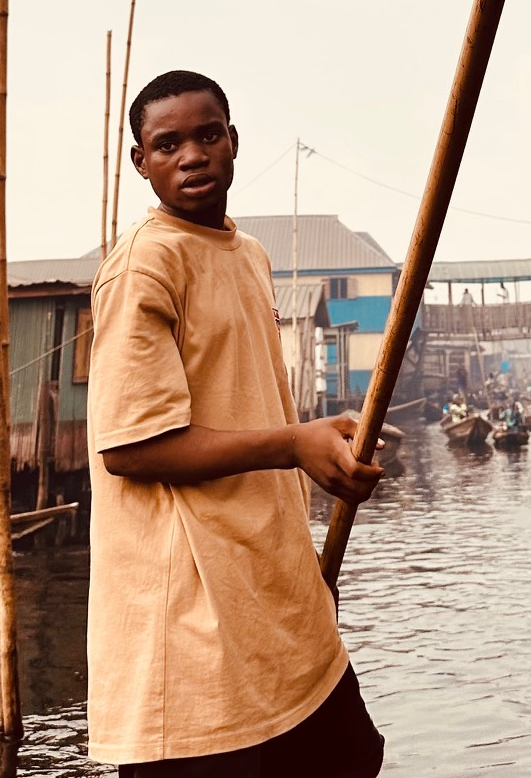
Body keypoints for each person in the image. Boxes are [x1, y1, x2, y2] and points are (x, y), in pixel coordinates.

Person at [87, 69, 385, 777]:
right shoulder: (143, 266)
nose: (190, 156)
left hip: (268, 584)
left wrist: (319, 438)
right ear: (141, 163)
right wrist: (292, 444)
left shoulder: (246, 253)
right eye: (166, 145)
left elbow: (241, 400)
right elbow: (131, 448)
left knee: (350, 759)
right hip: (189, 617)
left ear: (232, 142)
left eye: (206, 135)